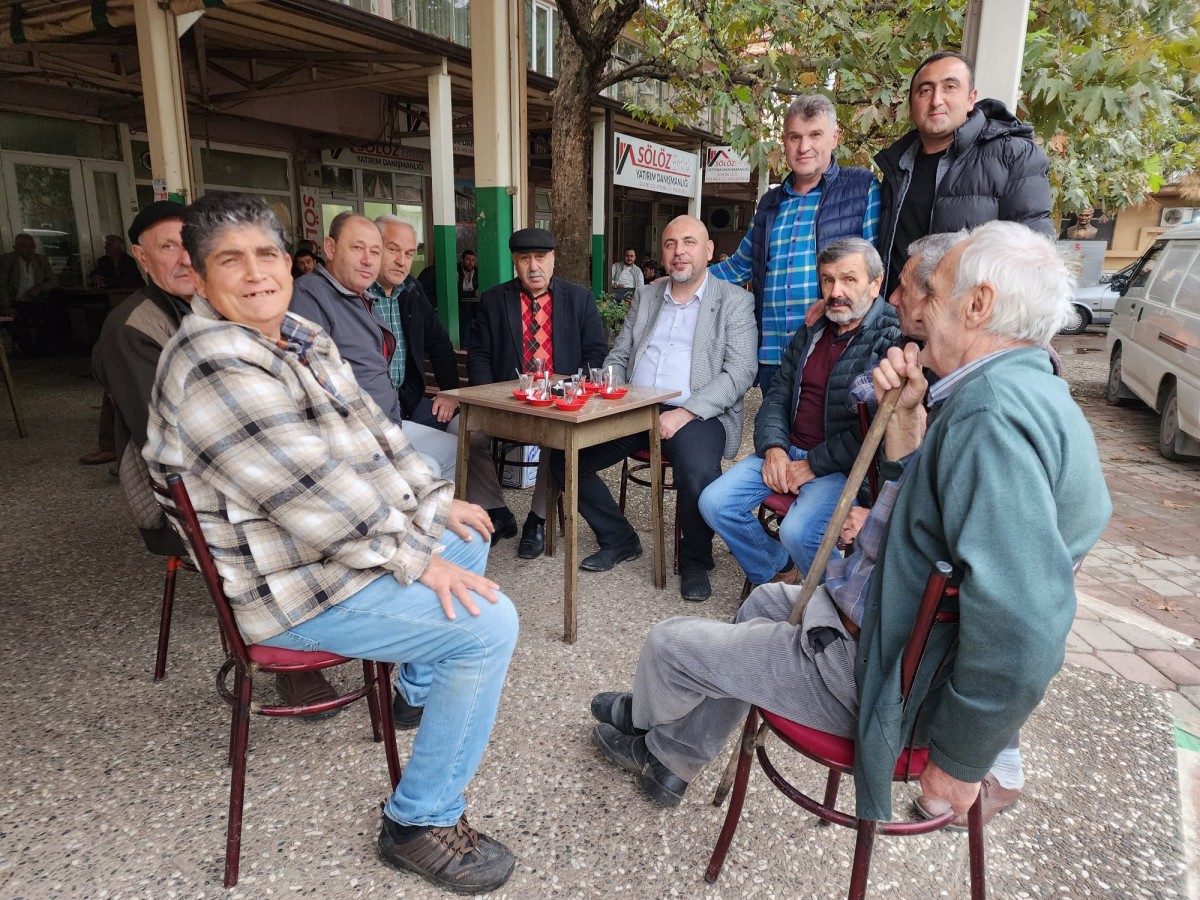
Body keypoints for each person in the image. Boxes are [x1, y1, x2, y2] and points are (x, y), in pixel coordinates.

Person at [589, 221, 1111, 833]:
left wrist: (963, 757)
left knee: (668, 644)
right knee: (761, 601)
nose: (905, 305)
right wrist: (908, 415)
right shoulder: (1031, 388)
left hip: (874, 672)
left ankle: (647, 722)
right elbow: (925, 490)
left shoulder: (991, 420)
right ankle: (670, 759)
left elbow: (1027, 619)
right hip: (879, 629)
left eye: (932, 292)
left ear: (979, 305)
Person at [144, 193, 518, 895]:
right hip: (287, 587)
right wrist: (414, 558)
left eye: (266, 255)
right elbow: (312, 494)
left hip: (323, 554)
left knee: (466, 540)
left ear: (289, 263)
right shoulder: (211, 362)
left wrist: (437, 505)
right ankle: (418, 821)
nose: (255, 274)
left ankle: (415, 689)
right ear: (196, 274)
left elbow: (377, 442)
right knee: (488, 623)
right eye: (231, 260)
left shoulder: (294, 334)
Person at [549, 215, 756, 601]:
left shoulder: (734, 301)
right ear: (662, 253)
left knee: (697, 472)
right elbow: (620, 354)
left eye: (690, 243)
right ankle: (620, 538)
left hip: (697, 413)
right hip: (634, 409)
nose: (680, 252)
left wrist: (687, 411)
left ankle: (695, 560)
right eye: (671, 244)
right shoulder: (645, 297)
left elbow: (741, 371)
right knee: (565, 458)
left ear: (708, 251)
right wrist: (613, 392)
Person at [699, 238, 899, 586]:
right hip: (787, 450)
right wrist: (774, 448)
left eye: (849, 279)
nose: (836, 291)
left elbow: (875, 429)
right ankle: (779, 571)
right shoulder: (814, 328)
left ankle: (835, 602)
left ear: (875, 282)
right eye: (827, 280)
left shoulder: (889, 336)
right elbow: (778, 392)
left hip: (838, 466)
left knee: (798, 531)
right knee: (715, 502)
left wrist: (813, 464)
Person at [707, 95, 880, 396]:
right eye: (795, 137)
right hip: (773, 355)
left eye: (815, 135)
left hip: (833, 347)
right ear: (784, 142)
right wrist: (684, 279)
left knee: (824, 438)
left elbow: (877, 270)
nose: (804, 147)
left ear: (835, 137)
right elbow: (740, 266)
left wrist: (833, 303)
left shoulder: (861, 187)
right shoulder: (770, 203)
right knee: (775, 436)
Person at [457, 227, 607, 559]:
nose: (533, 266)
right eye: (525, 259)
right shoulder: (495, 299)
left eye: (540, 257)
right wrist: (487, 396)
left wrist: (571, 389)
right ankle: (498, 511)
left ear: (553, 259)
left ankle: (536, 521)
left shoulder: (578, 298)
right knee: (465, 435)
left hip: (558, 402)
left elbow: (595, 352)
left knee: (556, 442)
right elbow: (479, 353)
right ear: (515, 262)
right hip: (509, 401)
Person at [289, 212, 458, 480]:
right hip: (355, 435)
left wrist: (451, 392)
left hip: (395, 416)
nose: (368, 259)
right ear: (330, 249)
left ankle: (455, 516)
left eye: (375, 251)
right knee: (427, 470)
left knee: (459, 449)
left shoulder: (369, 296)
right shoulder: (313, 295)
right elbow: (313, 385)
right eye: (357, 248)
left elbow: (438, 342)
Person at [874, 50, 1054, 296]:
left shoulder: (1014, 155)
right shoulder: (897, 165)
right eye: (925, 91)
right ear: (911, 104)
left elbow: (1034, 261)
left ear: (971, 99)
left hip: (966, 324)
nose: (936, 100)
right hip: (897, 321)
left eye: (949, 87)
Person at [367, 216, 460, 430]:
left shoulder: (412, 290)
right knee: (440, 458)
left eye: (409, 254)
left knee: (466, 428)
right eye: (393, 250)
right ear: (373, 249)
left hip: (408, 403)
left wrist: (449, 392)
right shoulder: (357, 294)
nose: (402, 261)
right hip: (370, 412)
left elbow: (439, 343)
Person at [0, 232, 58, 355]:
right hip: (12, 301)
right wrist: (6, 305)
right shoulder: (7, 261)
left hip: (33, 300)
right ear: (15, 248)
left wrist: (40, 288)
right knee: (14, 319)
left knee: (53, 313)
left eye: (31, 246)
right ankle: (27, 350)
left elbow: (53, 280)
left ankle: (42, 348)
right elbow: (2, 285)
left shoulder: (40, 260)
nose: (28, 250)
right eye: (23, 246)